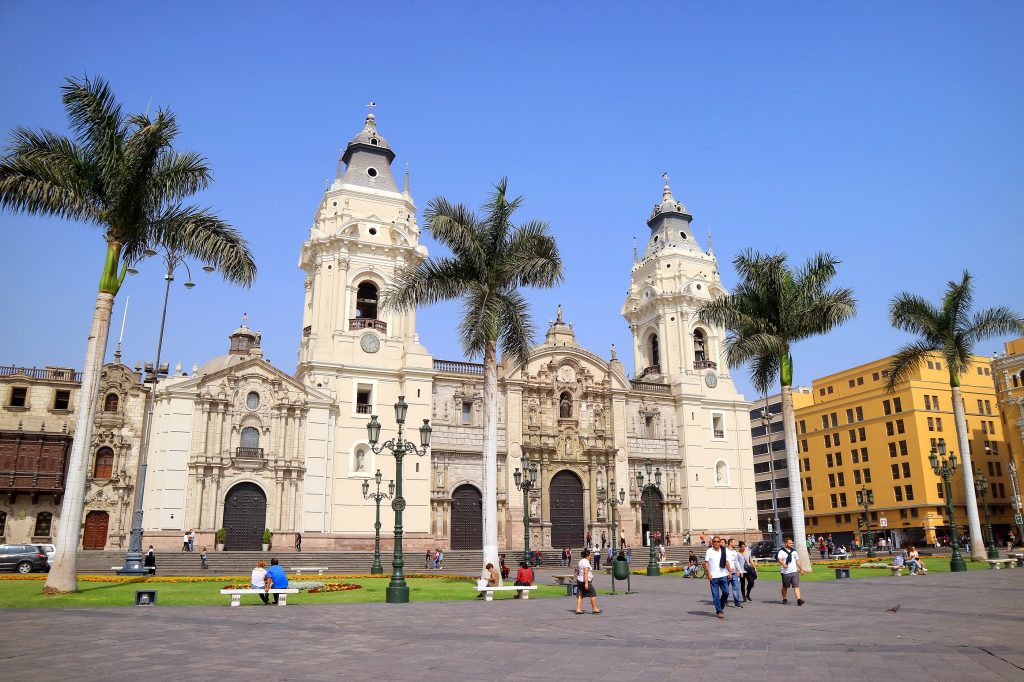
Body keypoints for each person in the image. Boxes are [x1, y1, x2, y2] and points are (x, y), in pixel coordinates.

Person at [704, 536, 733, 619]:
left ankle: (720, 606)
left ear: (720, 542)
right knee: (715, 595)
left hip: (723, 574)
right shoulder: (709, 551)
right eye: (715, 541)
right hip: (713, 576)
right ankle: (719, 610)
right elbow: (706, 563)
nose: (716, 543)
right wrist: (708, 573)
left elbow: (726, 561)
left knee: (726, 592)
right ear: (712, 543)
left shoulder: (723, 550)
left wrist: (729, 571)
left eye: (718, 541)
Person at [777, 537, 806, 606]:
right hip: (785, 572)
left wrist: (801, 569)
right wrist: (783, 564)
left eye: (792, 543)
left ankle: (799, 600)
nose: (792, 544)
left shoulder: (794, 551)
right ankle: (784, 598)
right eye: (790, 543)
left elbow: (797, 561)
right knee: (785, 586)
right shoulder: (781, 551)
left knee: (796, 586)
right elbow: (779, 559)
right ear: (785, 544)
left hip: (794, 572)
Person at [575, 548, 601, 614]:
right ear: (587, 555)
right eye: (590, 555)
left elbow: (577, 570)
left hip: (579, 580)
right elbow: (585, 573)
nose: (590, 557)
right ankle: (594, 608)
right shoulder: (586, 562)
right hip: (585, 581)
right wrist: (586, 583)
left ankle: (578, 609)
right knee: (593, 593)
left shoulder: (580, 561)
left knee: (580, 595)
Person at [725, 538, 743, 608]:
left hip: (734, 573)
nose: (735, 544)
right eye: (734, 542)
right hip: (726, 572)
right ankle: (724, 600)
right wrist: (728, 569)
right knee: (725, 588)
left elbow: (736, 562)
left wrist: (740, 571)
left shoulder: (735, 552)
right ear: (730, 543)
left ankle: (737, 602)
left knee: (736, 587)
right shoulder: (725, 551)